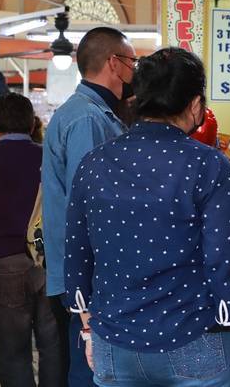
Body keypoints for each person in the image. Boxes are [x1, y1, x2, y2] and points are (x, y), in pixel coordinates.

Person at [64, 47, 230, 387]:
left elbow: (77, 255)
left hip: (113, 344)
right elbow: (229, 264)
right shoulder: (207, 164)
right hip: (197, 343)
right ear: (194, 105)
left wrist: (88, 332)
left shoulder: (94, 164)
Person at [42, 27, 137, 387]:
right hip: (88, 274)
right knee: (91, 368)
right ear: (114, 63)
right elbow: (91, 207)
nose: (134, 72)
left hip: (87, 272)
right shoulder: (88, 119)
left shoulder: (97, 114)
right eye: (132, 62)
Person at [0, 93, 64, 386]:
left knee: (12, 350)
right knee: (53, 346)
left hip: (5, 263)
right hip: (50, 262)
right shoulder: (49, 158)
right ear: (31, 123)